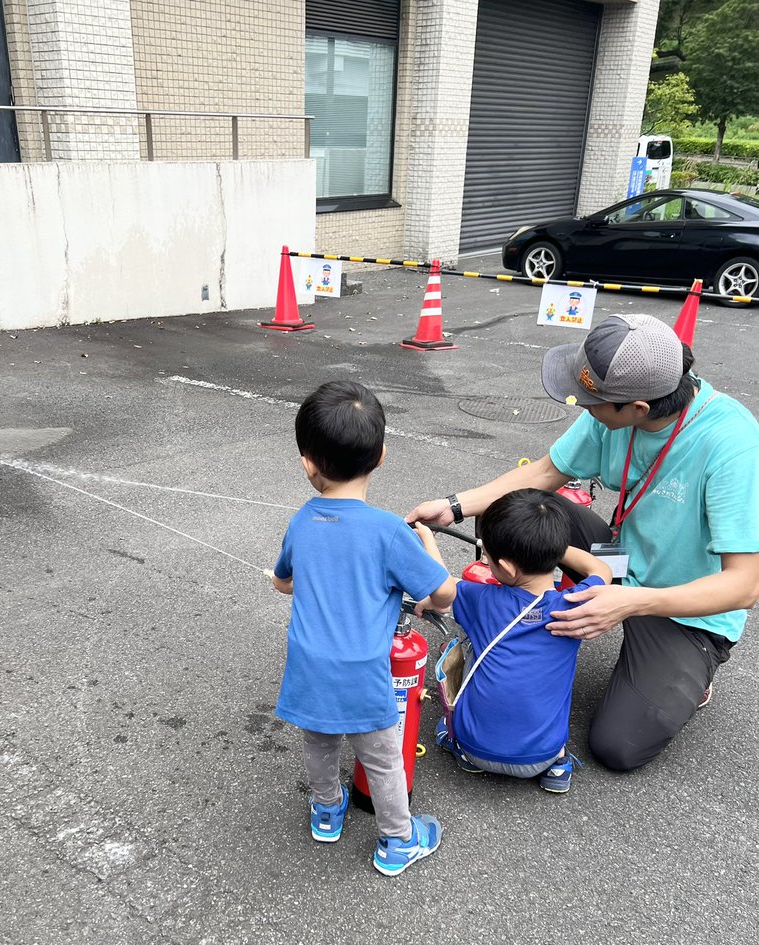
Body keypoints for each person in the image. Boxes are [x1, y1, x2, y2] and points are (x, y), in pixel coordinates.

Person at [407, 313, 759, 772]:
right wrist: (454, 507)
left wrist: (629, 602)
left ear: (637, 409)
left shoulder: (732, 445)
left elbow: (744, 586)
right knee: (520, 511)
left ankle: (692, 677)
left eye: (592, 402)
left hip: (683, 605)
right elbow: (545, 473)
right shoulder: (617, 410)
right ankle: (520, 613)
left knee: (618, 747)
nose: (584, 408)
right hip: (621, 559)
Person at [269, 381, 456, 876]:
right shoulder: (389, 532)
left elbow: (285, 582)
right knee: (383, 759)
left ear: (307, 463)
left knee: (319, 744)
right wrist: (428, 550)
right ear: (381, 456)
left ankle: (327, 811)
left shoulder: (301, 522)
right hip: (362, 674)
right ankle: (398, 840)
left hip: (309, 666)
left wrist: (283, 581)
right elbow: (444, 595)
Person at [417, 490, 612, 792]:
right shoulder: (576, 605)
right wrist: (548, 546)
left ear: (507, 568)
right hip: (542, 756)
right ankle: (558, 765)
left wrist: (428, 539)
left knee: (471, 642)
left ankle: (462, 751)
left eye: (488, 557)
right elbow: (602, 570)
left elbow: (442, 591)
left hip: (476, 749)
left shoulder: (482, 599)